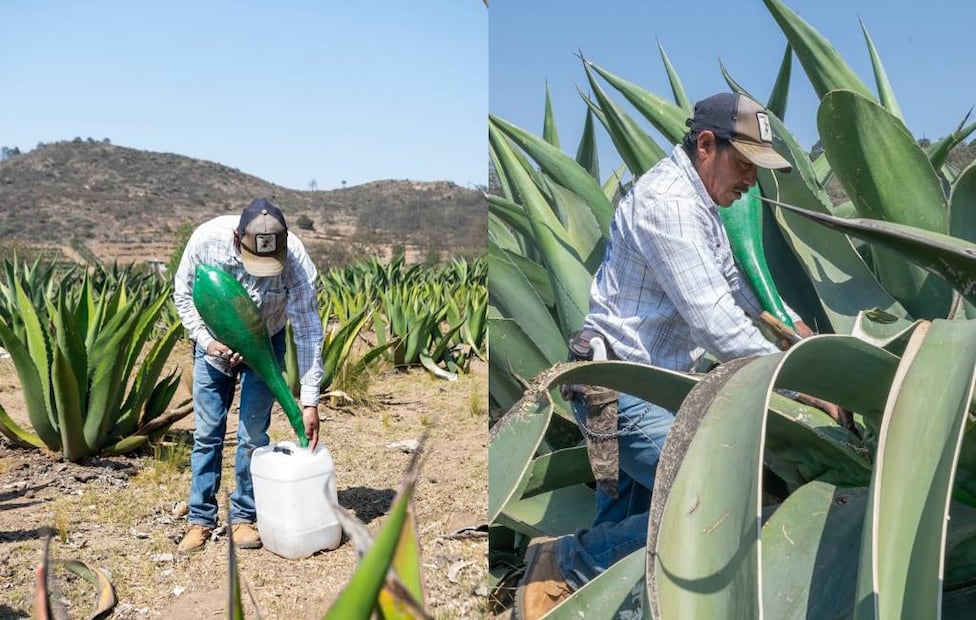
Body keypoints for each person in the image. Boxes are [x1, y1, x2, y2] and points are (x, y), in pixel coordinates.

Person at [514, 92, 848, 618]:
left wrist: (797, 333)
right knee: (712, 504)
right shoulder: (667, 203)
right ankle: (563, 560)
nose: (750, 182)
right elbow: (716, 323)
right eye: (744, 165)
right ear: (707, 145)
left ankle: (578, 596)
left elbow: (735, 291)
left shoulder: (703, 203)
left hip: (655, 385)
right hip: (629, 391)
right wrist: (803, 381)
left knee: (629, 546)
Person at [173, 197, 324, 553]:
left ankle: (242, 516)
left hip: (266, 345)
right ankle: (200, 519)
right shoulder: (206, 241)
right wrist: (209, 343)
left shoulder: (297, 261)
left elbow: (307, 329)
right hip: (215, 345)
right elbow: (184, 295)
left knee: (253, 434)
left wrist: (309, 400)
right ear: (238, 237)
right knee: (208, 434)